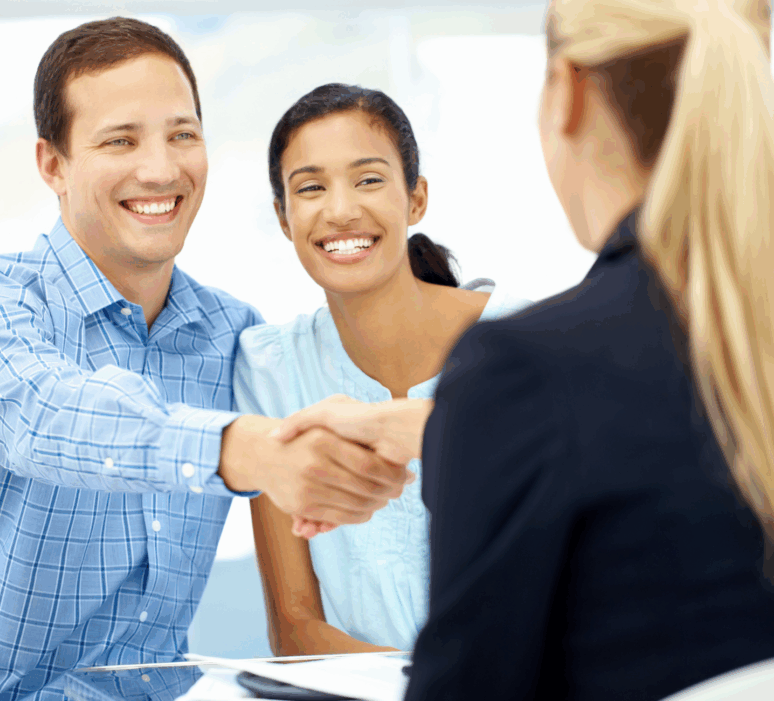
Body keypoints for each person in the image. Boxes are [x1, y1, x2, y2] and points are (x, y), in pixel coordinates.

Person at [0, 18, 411, 701]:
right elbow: (54, 416)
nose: (161, 168)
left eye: (183, 134)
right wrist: (243, 447)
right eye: (120, 140)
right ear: (52, 164)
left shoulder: (231, 334)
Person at [276, 1, 774, 698]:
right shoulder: (734, 332)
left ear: (565, 92)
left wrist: (473, 418)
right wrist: (448, 425)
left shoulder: (528, 361)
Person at [233, 84, 530, 655]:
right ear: (283, 217)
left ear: (415, 199)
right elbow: (296, 629)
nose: (340, 210)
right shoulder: (269, 370)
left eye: (368, 179)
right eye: (311, 187)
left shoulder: (527, 342)